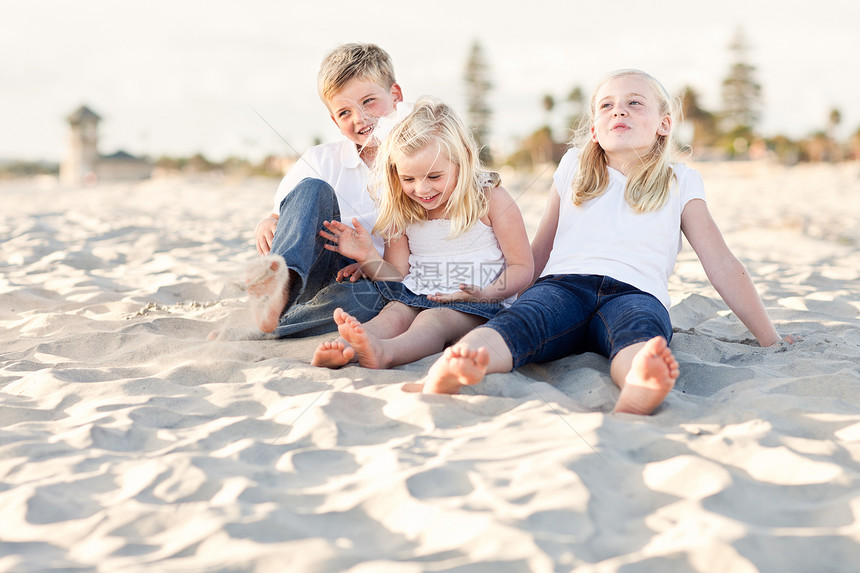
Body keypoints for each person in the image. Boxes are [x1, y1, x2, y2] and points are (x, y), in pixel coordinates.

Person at [414, 69, 797, 415]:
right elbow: (541, 248)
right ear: (595, 128)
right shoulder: (573, 167)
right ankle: (464, 361)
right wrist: (506, 294)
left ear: (664, 124)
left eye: (634, 103)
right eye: (607, 106)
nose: (619, 112)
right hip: (563, 285)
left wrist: (770, 337)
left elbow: (722, 264)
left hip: (636, 292)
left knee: (640, 334)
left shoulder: (681, 180)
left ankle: (639, 384)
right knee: (523, 322)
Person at [310, 97, 533, 370]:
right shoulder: (403, 211)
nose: (422, 190)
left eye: (434, 177)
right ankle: (348, 349)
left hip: (478, 302)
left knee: (432, 321)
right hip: (419, 292)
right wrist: (367, 255)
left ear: (461, 159)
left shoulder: (489, 197)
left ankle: (387, 352)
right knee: (394, 314)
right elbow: (398, 275)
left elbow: (522, 266)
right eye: (408, 179)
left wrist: (484, 293)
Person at [241, 43, 403, 338]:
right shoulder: (321, 159)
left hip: (371, 278)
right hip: (312, 272)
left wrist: (371, 265)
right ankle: (280, 282)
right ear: (334, 121)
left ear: (395, 96)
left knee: (372, 303)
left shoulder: (417, 167)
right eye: (344, 112)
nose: (359, 118)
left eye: (369, 102)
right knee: (314, 189)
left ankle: (271, 327)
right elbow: (287, 214)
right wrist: (269, 221)